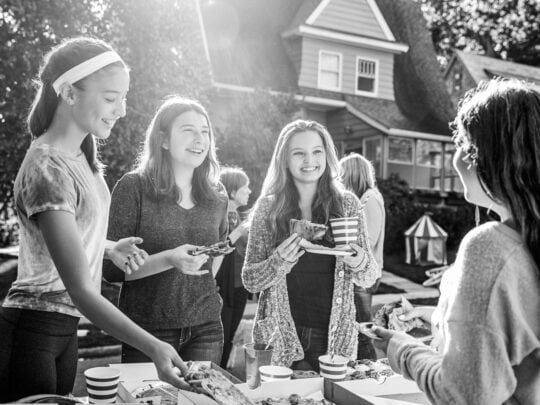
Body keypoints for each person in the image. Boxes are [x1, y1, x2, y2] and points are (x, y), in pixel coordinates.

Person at [0, 37, 189, 401]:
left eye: (123, 97)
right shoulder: (47, 165)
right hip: (31, 333)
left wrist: (109, 247)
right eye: (110, 97)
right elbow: (82, 291)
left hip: (63, 332)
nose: (121, 110)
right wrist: (154, 347)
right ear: (70, 93)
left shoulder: (83, 158)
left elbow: (65, 234)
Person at [373, 79, 540, 404]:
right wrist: (441, 317)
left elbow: (463, 394)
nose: (455, 155)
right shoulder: (525, 246)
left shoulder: (490, 248)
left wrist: (402, 350)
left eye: (462, 142)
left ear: (488, 155)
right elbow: (511, 344)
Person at [242, 119, 380, 370]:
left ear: (327, 156)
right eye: (299, 153)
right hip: (277, 334)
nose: (310, 160)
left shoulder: (347, 204)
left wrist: (359, 260)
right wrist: (278, 262)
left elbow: (369, 276)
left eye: (317, 151)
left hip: (334, 337)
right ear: (284, 159)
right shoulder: (268, 208)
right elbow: (250, 280)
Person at [103, 97, 228, 365]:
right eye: (188, 130)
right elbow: (111, 270)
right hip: (147, 330)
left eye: (205, 132)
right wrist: (170, 258)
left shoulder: (218, 195)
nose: (200, 139)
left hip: (206, 327)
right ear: (164, 140)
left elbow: (218, 251)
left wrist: (199, 281)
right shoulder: (133, 188)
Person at [339, 153, 385, 360]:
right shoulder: (366, 198)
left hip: (363, 276)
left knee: (362, 330)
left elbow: (370, 238)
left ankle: (370, 372)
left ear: (352, 175)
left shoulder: (370, 199)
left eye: (342, 175)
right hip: (358, 273)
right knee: (355, 327)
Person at [215, 166, 251, 368]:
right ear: (232, 192)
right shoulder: (219, 215)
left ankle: (221, 375)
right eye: (245, 187)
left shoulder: (237, 216)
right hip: (224, 287)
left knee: (231, 334)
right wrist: (242, 229)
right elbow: (220, 246)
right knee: (222, 333)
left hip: (240, 286)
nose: (249, 191)